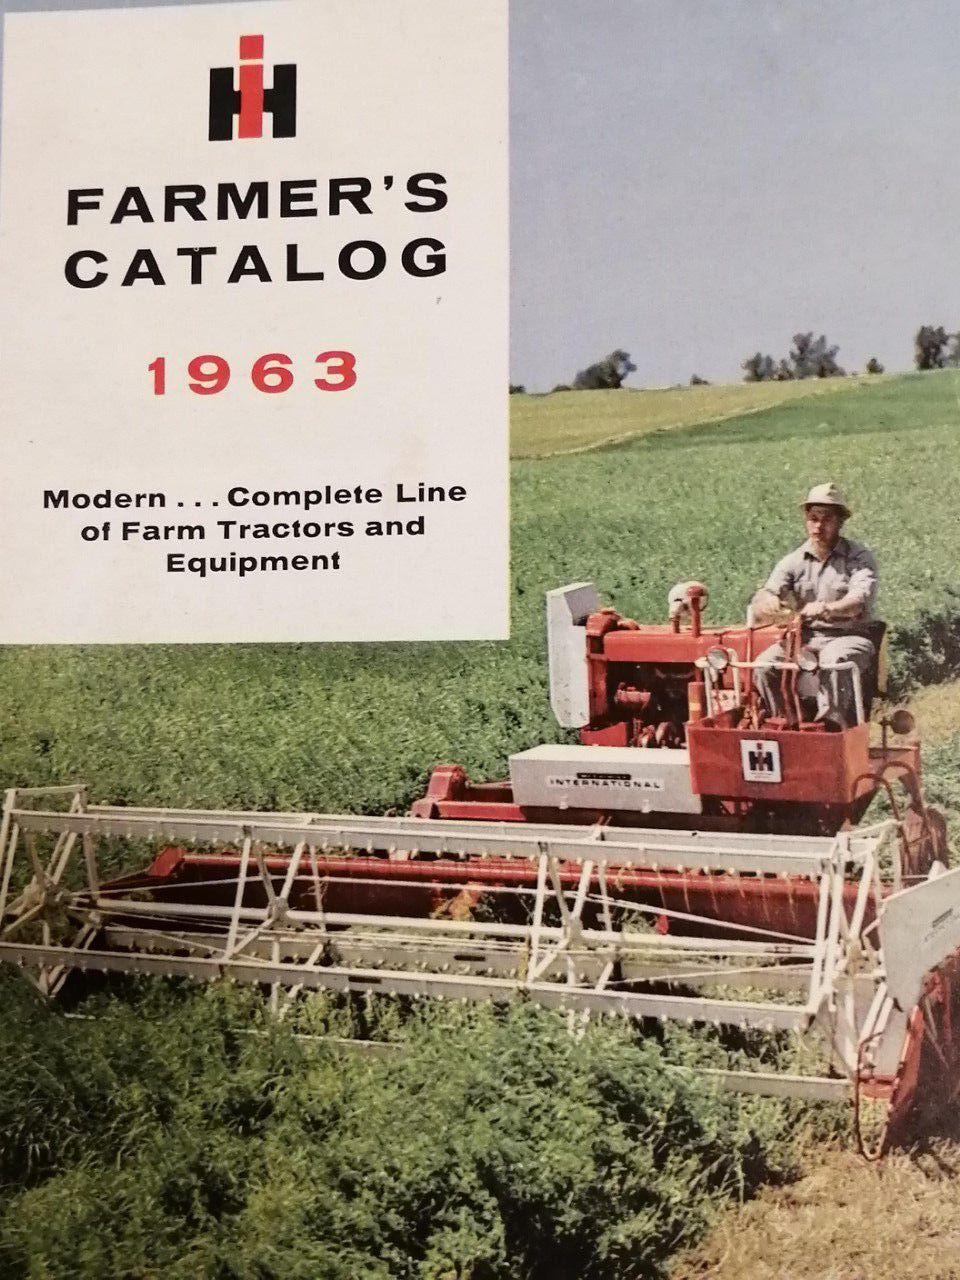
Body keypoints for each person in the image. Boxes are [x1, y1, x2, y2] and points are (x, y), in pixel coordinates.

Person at [750, 483, 878, 728]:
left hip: (848, 636)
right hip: (804, 639)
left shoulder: (858, 558)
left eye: (827, 519)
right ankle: (785, 722)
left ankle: (831, 726)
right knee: (765, 665)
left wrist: (827, 608)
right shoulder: (793, 561)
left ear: (840, 522)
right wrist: (767, 601)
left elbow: (858, 600)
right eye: (813, 518)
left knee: (834, 659)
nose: (818, 526)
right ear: (806, 520)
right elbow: (768, 592)